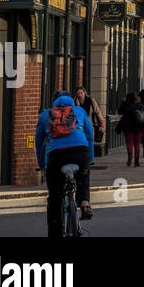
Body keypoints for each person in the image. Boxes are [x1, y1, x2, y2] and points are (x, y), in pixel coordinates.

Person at [35, 90, 95, 233]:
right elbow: (90, 135)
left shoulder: (45, 115)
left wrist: (42, 164)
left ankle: (55, 230)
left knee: (55, 197)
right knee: (83, 175)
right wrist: (90, 159)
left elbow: (39, 143)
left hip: (57, 156)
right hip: (81, 151)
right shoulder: (79, 110)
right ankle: (85, 203)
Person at [116, 91, 144, 168]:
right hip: (138, 126)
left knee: (129, 143)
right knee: (137, 144)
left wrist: (123, 102)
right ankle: (136, 161)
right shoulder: (139, 105)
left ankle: (130, 155)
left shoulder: (125, 105)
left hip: (128, 126)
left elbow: (119, 112)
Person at [73, 86, 103, 153]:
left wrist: (102, 124)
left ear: (84, 92)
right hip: (80, 125)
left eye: (81, 93)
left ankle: (89, 155)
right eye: (78, 93)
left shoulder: (90, 100)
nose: (80, 95)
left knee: (89, 139)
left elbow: (98, 111)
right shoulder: (74, 102)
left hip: (90, 123)